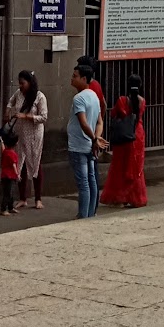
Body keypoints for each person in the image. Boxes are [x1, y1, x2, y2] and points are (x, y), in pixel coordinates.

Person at [101, 74, 147, 209]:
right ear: (140, 86)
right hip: (137, 134)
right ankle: (135, 198)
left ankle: (119, 198)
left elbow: (114, 113)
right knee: (136, 167)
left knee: (120, 165)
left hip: (123, 136)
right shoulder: (142, 101)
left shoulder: (122, 100)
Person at [5, 70, 48, 209]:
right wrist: (8, 110)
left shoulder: (39, 97)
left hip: (34, 134)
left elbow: (44, 117)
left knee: (35, 162)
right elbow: (11, 101)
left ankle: (38, 198)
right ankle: (23, 197)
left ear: (30, 82)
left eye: (23, 83)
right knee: (20, 164)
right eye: (19, 83)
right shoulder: (18, 94)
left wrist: (27, 116)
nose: (20, 86)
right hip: (21, 133)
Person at [67, 63, 105, 219]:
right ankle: (91, 213)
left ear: (84, 78)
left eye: (75, 76)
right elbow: (99, 122)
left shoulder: (79, 98)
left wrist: (95, 138)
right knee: (91, 180)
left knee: (84, 182)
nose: (72, 79)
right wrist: (96, 138)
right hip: (89, 145)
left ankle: (84, 215)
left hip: (79, 145)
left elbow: (83, 123)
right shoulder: (94, 96)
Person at [76, 56, 107, 211]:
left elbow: (84, 121)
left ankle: (87, 211)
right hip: (93, 135)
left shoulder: (87, 91)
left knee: (87, 178)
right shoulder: (96, 87)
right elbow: (104, 107)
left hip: (87, 138)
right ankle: (91, 209)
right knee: (92, 176)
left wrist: (95, 136)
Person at [0, 128, 21, 216]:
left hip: (4, 175)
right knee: (9, 194)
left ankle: (10, 207)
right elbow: (14, 165)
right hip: (10, 176)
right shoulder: (13, 154)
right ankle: (4, 208)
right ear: (15, 143)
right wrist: (17, 175)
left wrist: (1, 142)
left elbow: (3, 149)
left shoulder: (6, 152)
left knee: (7, 193)